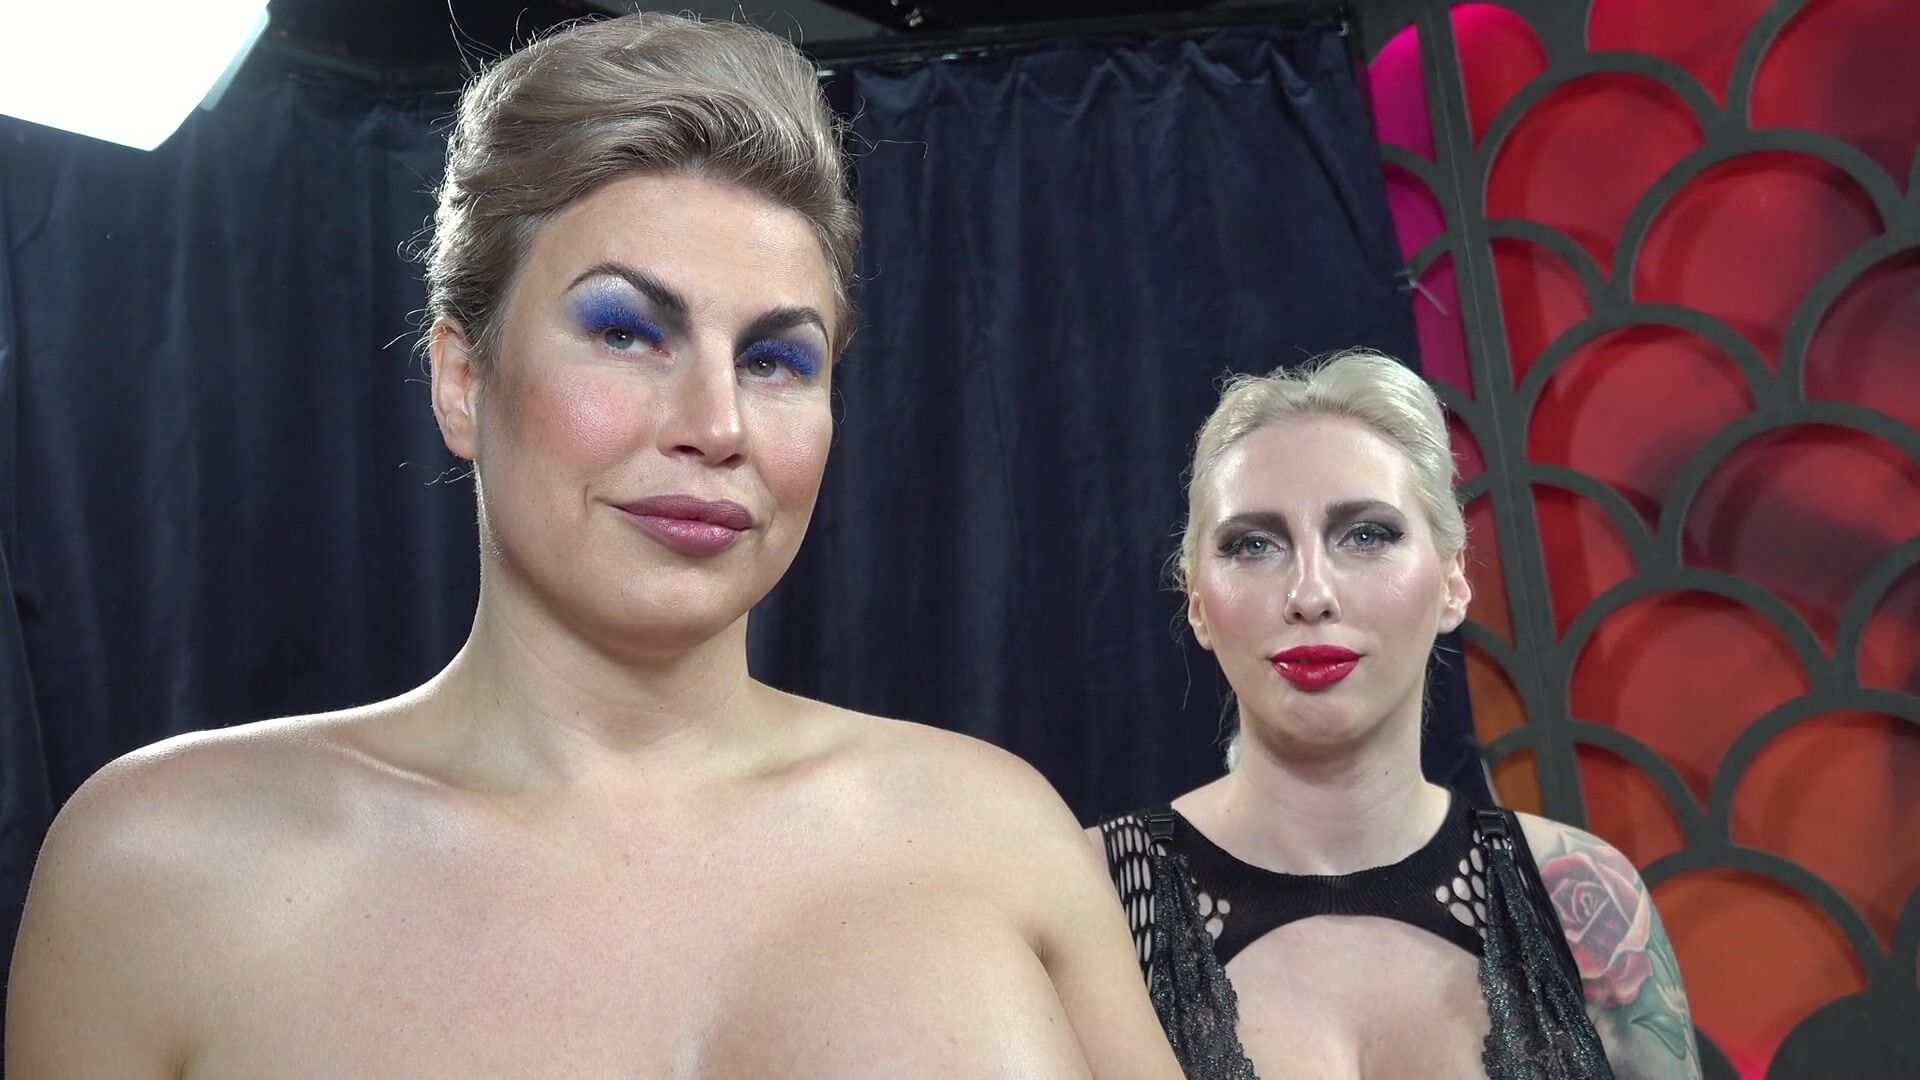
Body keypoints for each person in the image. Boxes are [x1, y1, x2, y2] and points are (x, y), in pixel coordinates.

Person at [6, 14, 1180, 1078]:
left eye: (776, 359)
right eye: (626, 332)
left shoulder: (1000, 833)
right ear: (463, 380)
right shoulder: (160, 872)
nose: (717, 424)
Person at [1093, 351, 1700, 1079]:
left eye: (1367, 535)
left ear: (1453, 580)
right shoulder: (1090, 897)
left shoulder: (1582, 898)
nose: (1310, 594)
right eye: (1252, 545)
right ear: (1197, 600)